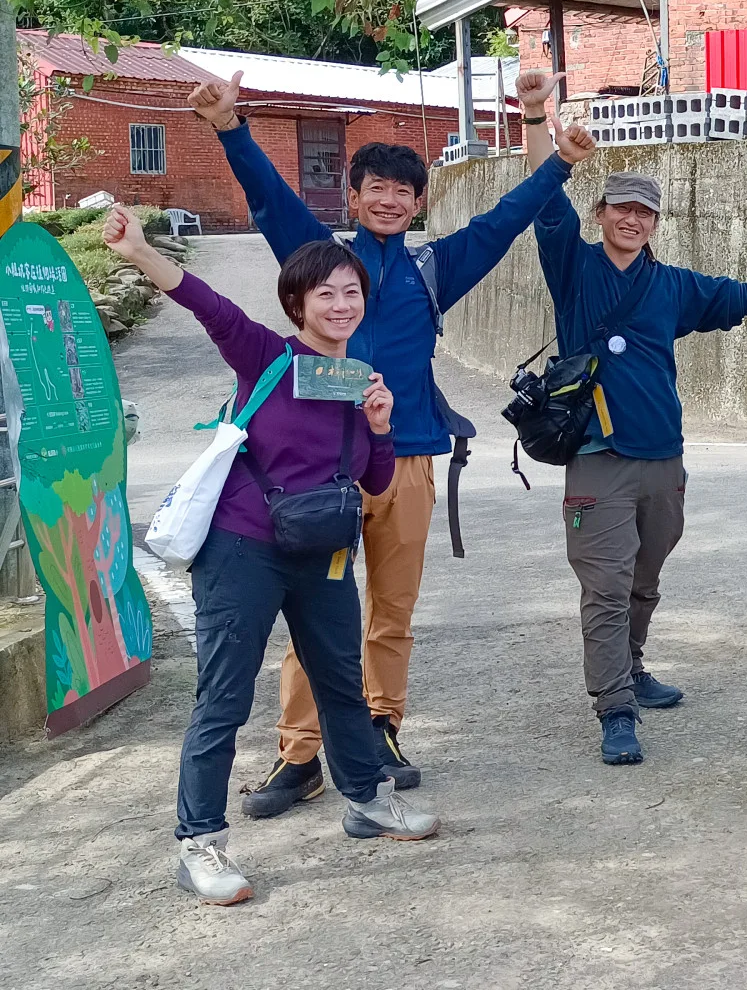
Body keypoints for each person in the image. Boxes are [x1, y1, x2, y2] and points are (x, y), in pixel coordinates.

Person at [187, 67, 591, 817]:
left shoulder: (434, 269)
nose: (388, 199)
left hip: (403, 462)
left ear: (418, 202)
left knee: (391, 611)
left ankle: (380, 730)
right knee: (312, 616)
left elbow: (504, 220)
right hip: (317, 471)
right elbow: (271, 198)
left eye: (403, 191)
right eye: (374, 186)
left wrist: (561, 161)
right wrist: (229, 127)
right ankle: (299, 753)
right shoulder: (318, 259)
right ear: (353, 195)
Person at [101, 206, 441, 906]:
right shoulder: (266, 354)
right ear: (297, 303)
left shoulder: (356, 380)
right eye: (327, 294)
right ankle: (199, 843)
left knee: (341, 684)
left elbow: (375, 482)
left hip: (322, 552)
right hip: (244, 547)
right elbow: (208, 304)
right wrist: (140, 252)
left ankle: (368, 801)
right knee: (223, 696)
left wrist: (381, 427)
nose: (342, 304)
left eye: (352, 292)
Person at [528, 127, 747, 765]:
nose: (631, 219)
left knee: (643, 577)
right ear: (599, 213)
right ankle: (614, 708)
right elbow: (543, 201)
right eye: (620, 208)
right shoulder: (573, 267)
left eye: (643, 211)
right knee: (604, 585)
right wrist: (531, 116)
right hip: (598, 457)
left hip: (663, 456)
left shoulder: (674, 286)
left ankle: (630, 667)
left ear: (655, 222)